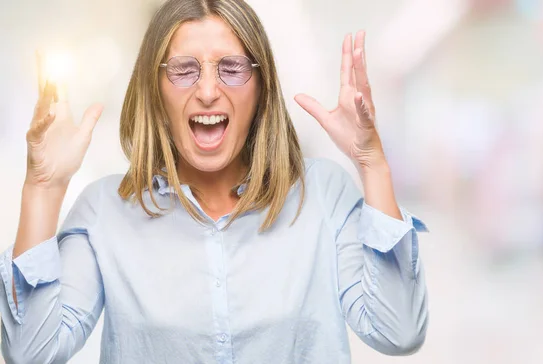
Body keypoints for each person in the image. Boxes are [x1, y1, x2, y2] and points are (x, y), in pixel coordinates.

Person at [0, 0, 429, 363]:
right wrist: (43, 187)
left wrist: (373, 164)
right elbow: (29, 351)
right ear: (155, 90)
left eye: (231, 68)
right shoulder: (104, 212)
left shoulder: (324, 196)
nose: (207, 91)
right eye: (184, 70)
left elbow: (399, 332)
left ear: (261, 87)